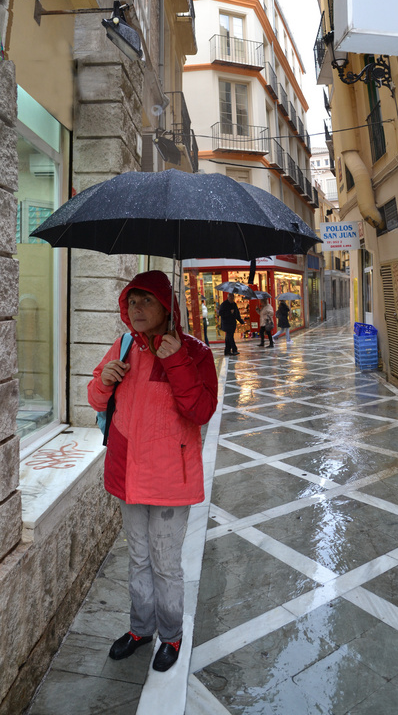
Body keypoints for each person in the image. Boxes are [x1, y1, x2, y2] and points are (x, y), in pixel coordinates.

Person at [87, 270, 218, 673]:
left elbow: (200, 411)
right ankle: (141, 628)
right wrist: (104, 382)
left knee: (164, 562)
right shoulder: (124, 345)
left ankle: (172, 634)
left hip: (169, 480)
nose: (136, 308)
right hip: (128, 472)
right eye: (131, 301)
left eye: (145, 301)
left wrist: (176, 360)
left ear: (166, 306)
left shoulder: (194, 352)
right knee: (138, 558)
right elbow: (95, 399)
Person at [217, 292, 243, 357]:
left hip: (232, 323)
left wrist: (241, 321)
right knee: (230, 336)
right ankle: (234, 349)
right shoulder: (224, 304)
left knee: (228, 337)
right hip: (226, 323)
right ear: (228, 297)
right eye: (231, 297)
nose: (232, 299)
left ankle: (227, 351)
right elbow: (221, 313)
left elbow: (237, 314)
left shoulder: (234, 304)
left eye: (233, 297)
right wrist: (229, 312)